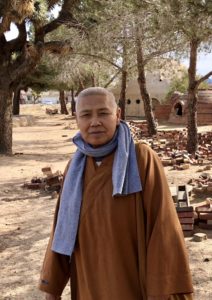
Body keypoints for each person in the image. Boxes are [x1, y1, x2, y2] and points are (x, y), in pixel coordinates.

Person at [39, 87, 193, 300]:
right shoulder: (75, 166)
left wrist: (161, 290)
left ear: (117, 115)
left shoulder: (141, 158)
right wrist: (52, 289)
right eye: (86, 115)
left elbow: (163, 226)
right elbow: (61, 228)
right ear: (77, 119)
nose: (94, 122)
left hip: (132, 282)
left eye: (103, 113)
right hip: (87, 281)